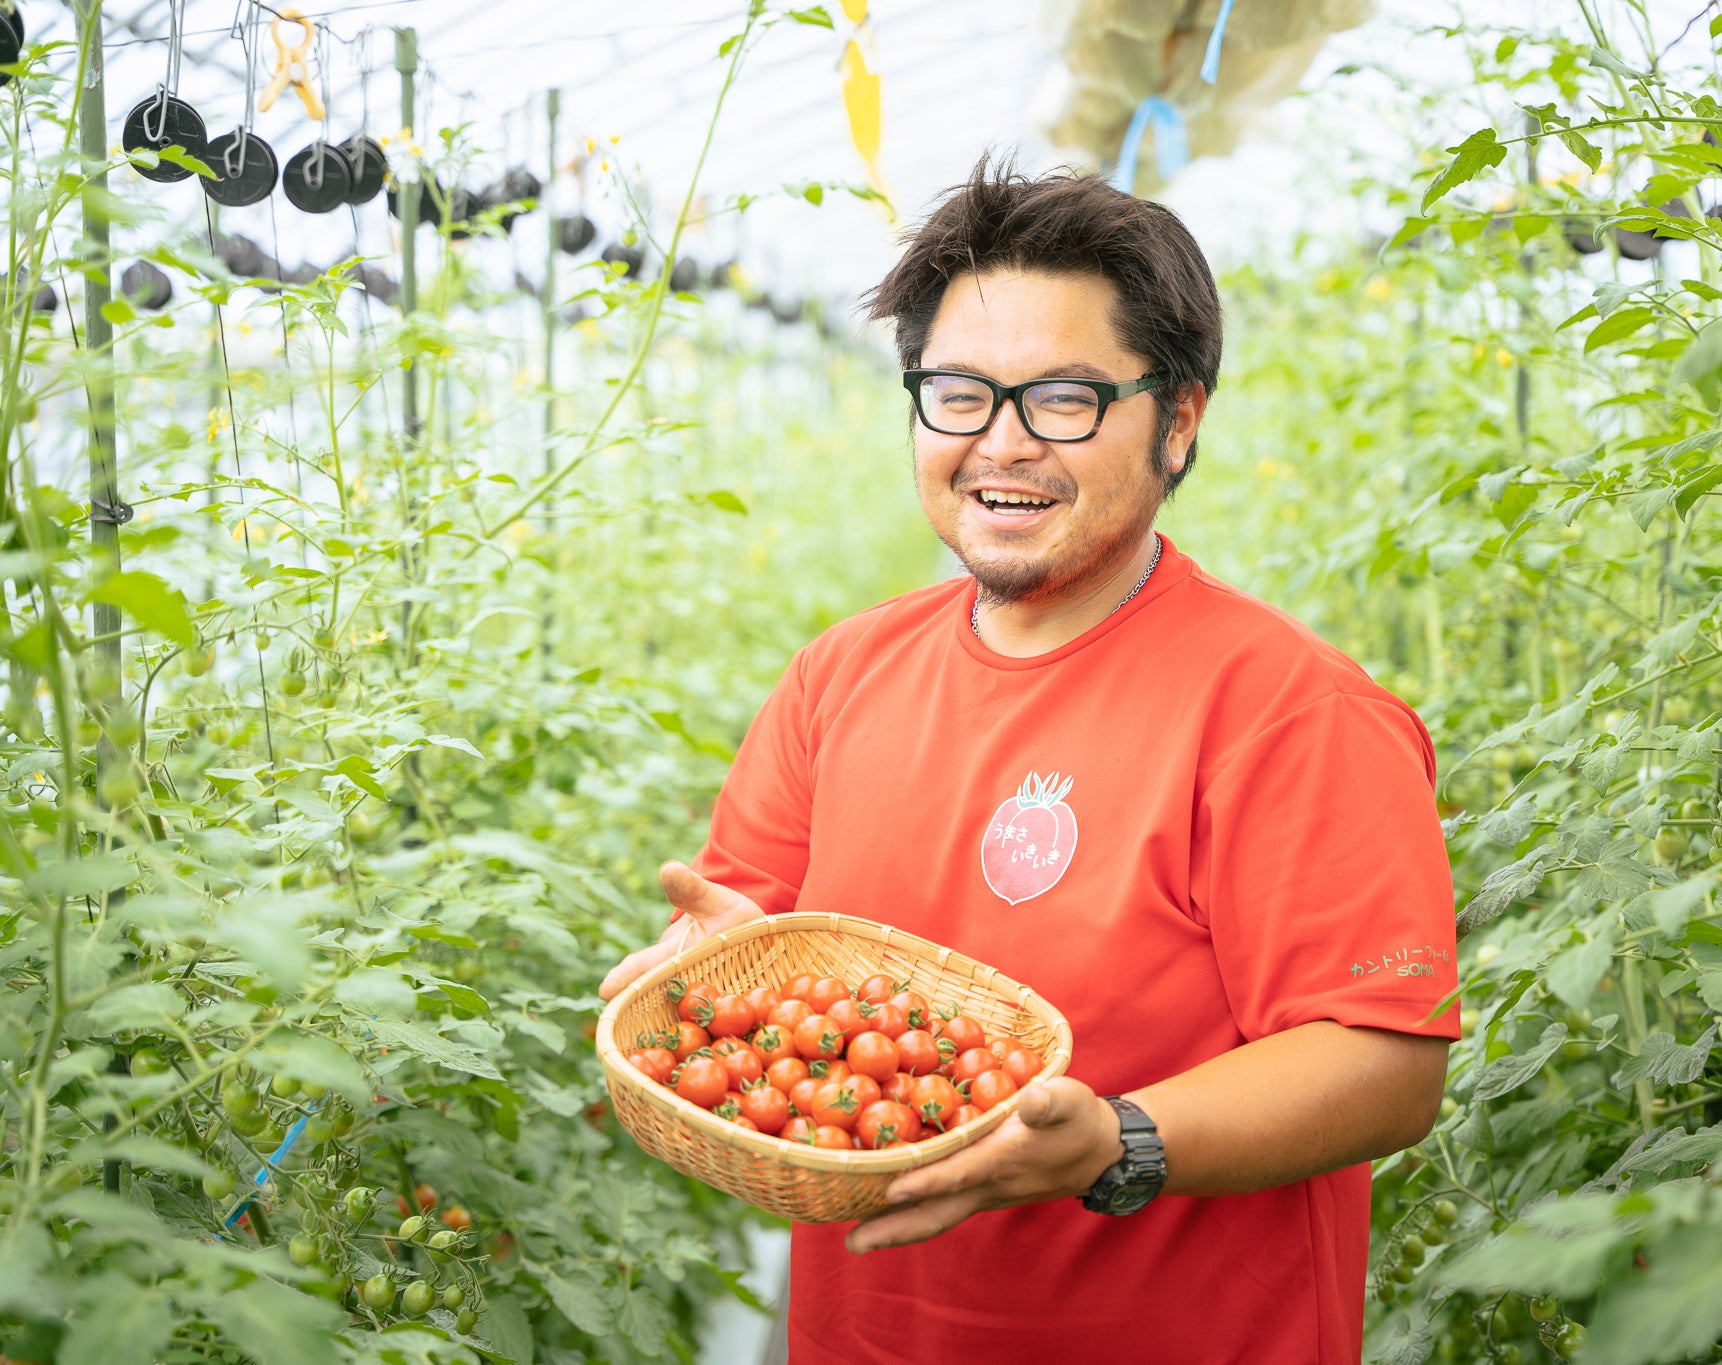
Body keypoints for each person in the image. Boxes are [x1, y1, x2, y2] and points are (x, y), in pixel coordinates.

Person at [599, 153, 1459, 1365]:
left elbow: (1381, 1062)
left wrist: (1119, 1143)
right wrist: (706, 968)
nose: (1000, 445)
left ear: (1179, 420)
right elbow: (757, 939)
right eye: (957, 393)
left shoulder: (1285, 711)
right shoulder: (839, 677)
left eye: (1063, 399)